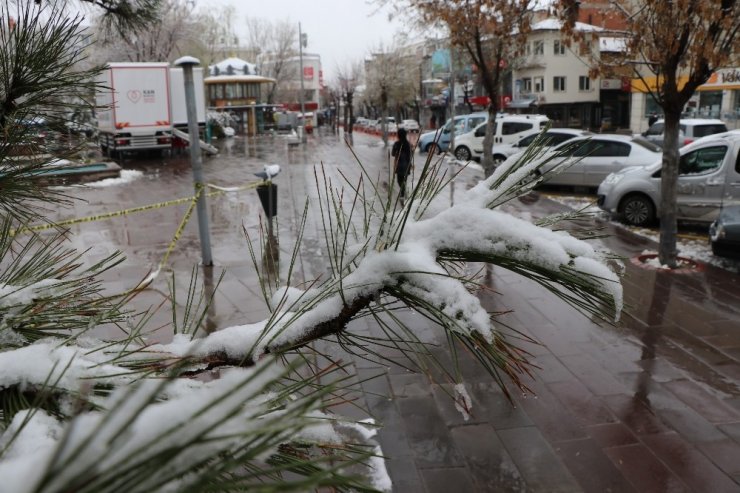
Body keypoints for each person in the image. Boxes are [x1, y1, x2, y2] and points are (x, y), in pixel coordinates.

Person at [391, 127, 412, 199]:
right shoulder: (408, 144)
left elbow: (393, 154)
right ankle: (403, 191)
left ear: (398, 135)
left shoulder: (396, 144)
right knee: (404, 180)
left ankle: (402, 192)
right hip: (406, 164)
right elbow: (410, 155)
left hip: (399, 165)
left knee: (399, 180)